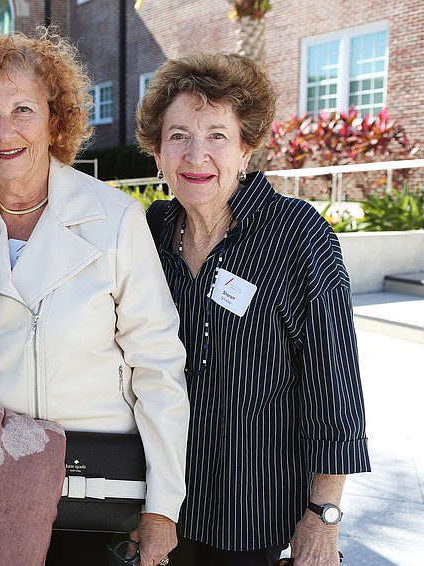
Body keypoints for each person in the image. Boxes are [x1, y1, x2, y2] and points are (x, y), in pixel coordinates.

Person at [0, 28, 190, 566]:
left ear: (55, 117)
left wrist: (163, 507)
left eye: (24, 108)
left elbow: (158, 366)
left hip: (92, 488)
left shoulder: (116, 219)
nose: (6, 131)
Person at [135, 52, 371, 566]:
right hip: (158, 512)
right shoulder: (145, 235)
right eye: (178, 135)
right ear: (157, 152)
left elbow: (335, 386)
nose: (197, 154)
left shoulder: (297, 235)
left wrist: (323, 516)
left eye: (217, 135)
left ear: (246, 149)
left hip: (251, 513)